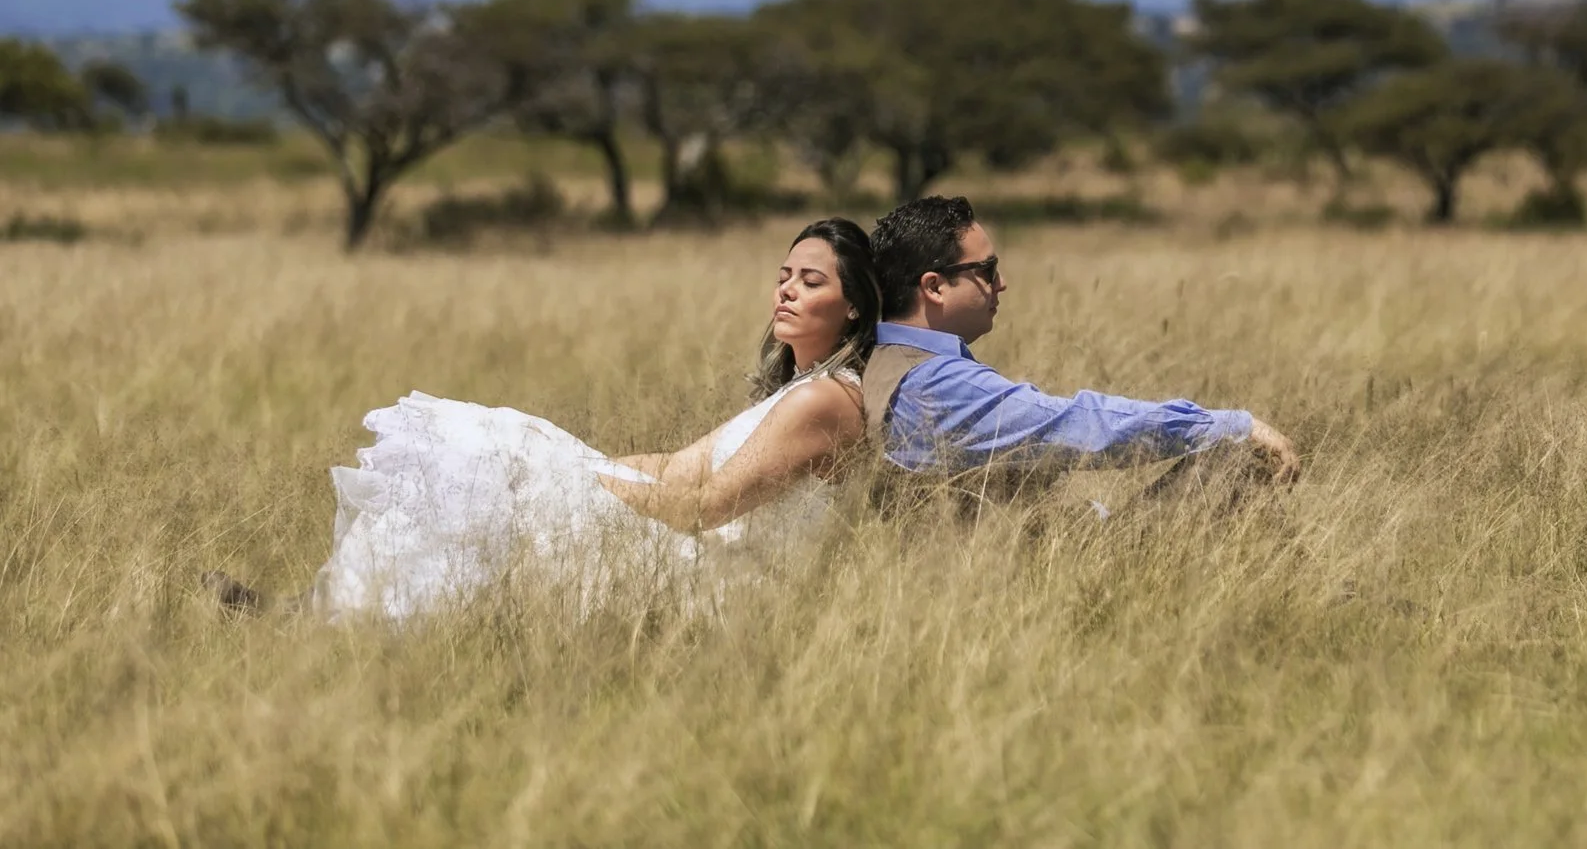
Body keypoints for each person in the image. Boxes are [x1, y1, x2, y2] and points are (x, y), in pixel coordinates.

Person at [212, 219, 877, 620]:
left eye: (811, 281)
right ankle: (333, 611)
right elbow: (681, 468)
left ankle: (331, 617)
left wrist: (575, 478)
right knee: (495, 448)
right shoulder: (799, 390)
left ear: (854, 307)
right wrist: (577, 463)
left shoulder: (827, 400)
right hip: (695, 554)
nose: (786, 290)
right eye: (783, 274)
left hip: (720, 589)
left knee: (492, 454)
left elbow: (701, 505)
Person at [860, 195, 1299, 505]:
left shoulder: (893, 364)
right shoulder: (934, 383)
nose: (1001, 282)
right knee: (1234, 454)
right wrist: (1232, 423)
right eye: (987, 270)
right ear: (934, 287)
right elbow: (1081, 427)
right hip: (1021, 580)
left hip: (1019, 562)